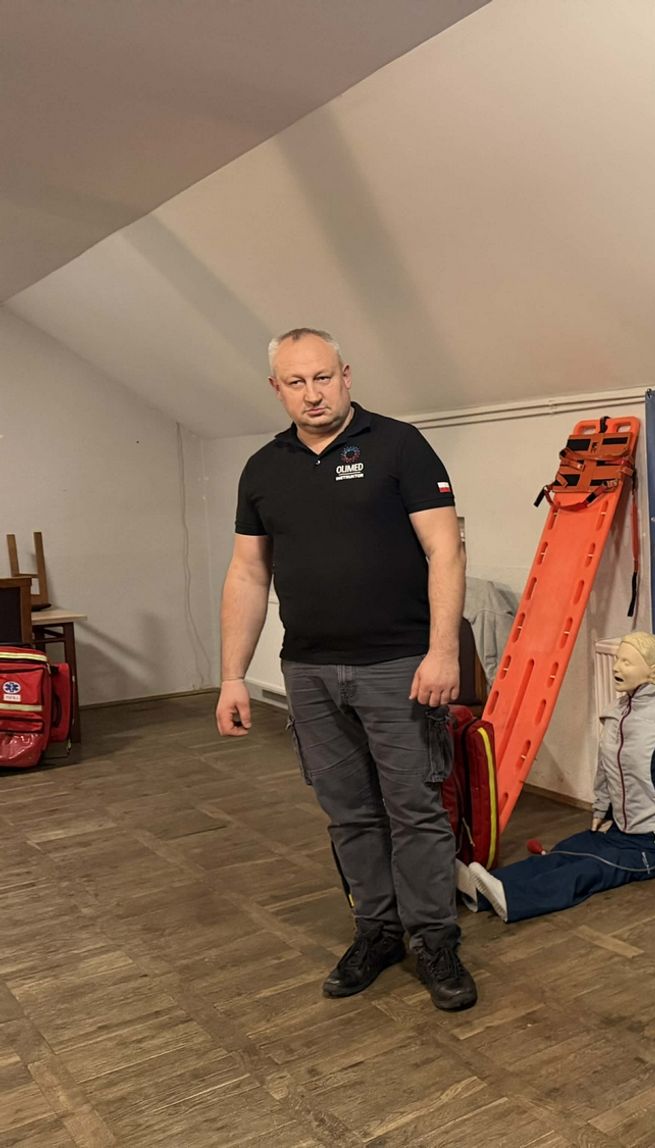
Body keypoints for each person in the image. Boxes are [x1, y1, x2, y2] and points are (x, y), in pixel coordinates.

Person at [216, 327, 477, 1011]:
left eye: (323, 378)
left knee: (416, 811)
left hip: (399, 666)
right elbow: (248, 573)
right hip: (308, 672)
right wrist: (232, 675)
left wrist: (443, 651)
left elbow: (445, 551)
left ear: (347, 375)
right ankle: (378, 932)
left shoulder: (400, 446)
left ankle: (434, 940)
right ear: (276, 389)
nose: (313, 394)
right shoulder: (263, 468)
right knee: (349, 815)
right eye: (296, 382)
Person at [464, 631, 655, 920]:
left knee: (589, 870)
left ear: (653, 671)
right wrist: (600, 809)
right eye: (617, 659)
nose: (616, 667)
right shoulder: (617, 712)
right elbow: (605, 767)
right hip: (619, 832)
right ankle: (484, 889)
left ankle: (513, 899)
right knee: (567, 851)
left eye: (626, 662)